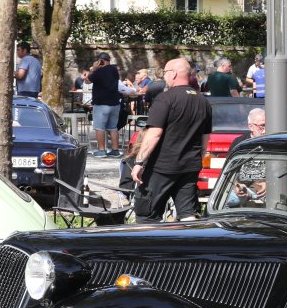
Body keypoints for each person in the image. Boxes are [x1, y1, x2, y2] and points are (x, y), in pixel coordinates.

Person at [131, 57, 213, 222]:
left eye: (166, 72)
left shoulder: (165, 98)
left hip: (163, 167)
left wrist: (139, 162)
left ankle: (150, 239)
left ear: (174, 74)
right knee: (188, 214)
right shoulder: (203, 101)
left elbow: (154, 134)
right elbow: (205, 138)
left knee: (147, 214)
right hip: (190, 166)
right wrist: (198, 158)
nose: (164, 76)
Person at [87, 52, 124, 157]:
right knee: (113, 127)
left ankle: (102, 150)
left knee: (99, 127)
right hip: (115, 103)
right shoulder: (114, 70)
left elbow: (87, 81)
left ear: (100, 61)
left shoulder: (98, 72)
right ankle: (115, 150)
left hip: (101, 104)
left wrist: (93, 69)